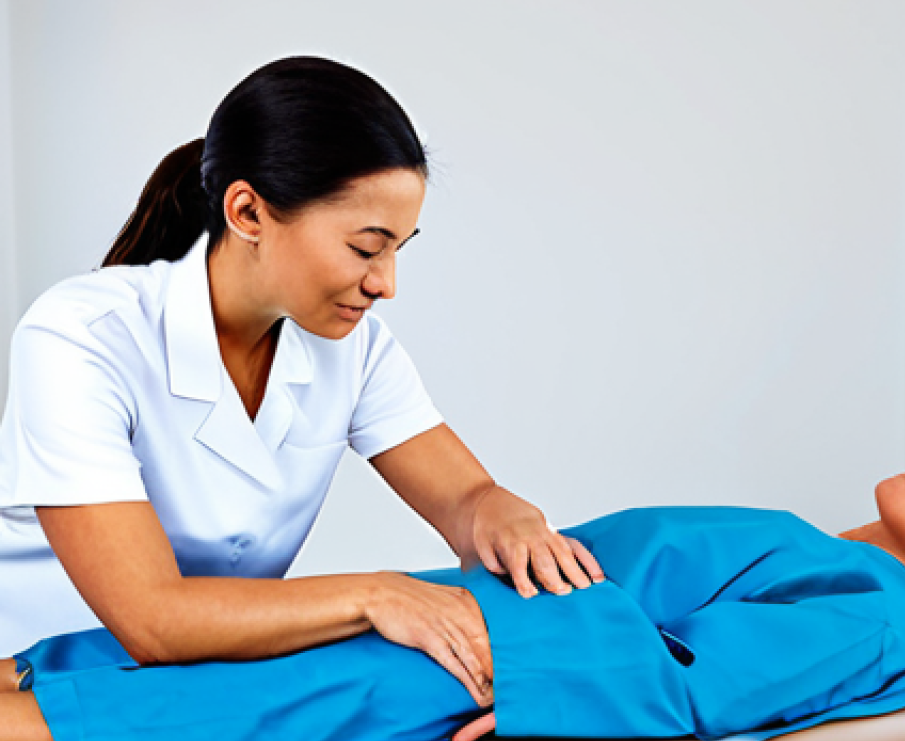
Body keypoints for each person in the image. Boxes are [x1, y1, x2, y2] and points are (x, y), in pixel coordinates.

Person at [0, 57, 606, 706]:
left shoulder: (352, 347)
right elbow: (153, 620)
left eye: (400, 248)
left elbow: (466, 500)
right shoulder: (81, 335)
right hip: (37, 687)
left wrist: (501, 514)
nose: (386, 284)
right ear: (248, 212)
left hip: (218, 687)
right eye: (367, 248)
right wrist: (375, 594)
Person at [1, 448, 905, 741]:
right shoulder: (829, 554)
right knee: (227, 640)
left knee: (243, 698)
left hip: (490, 650)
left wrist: (526, 672)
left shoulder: (888, 618)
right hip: (478, 611)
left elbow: (700, 681)